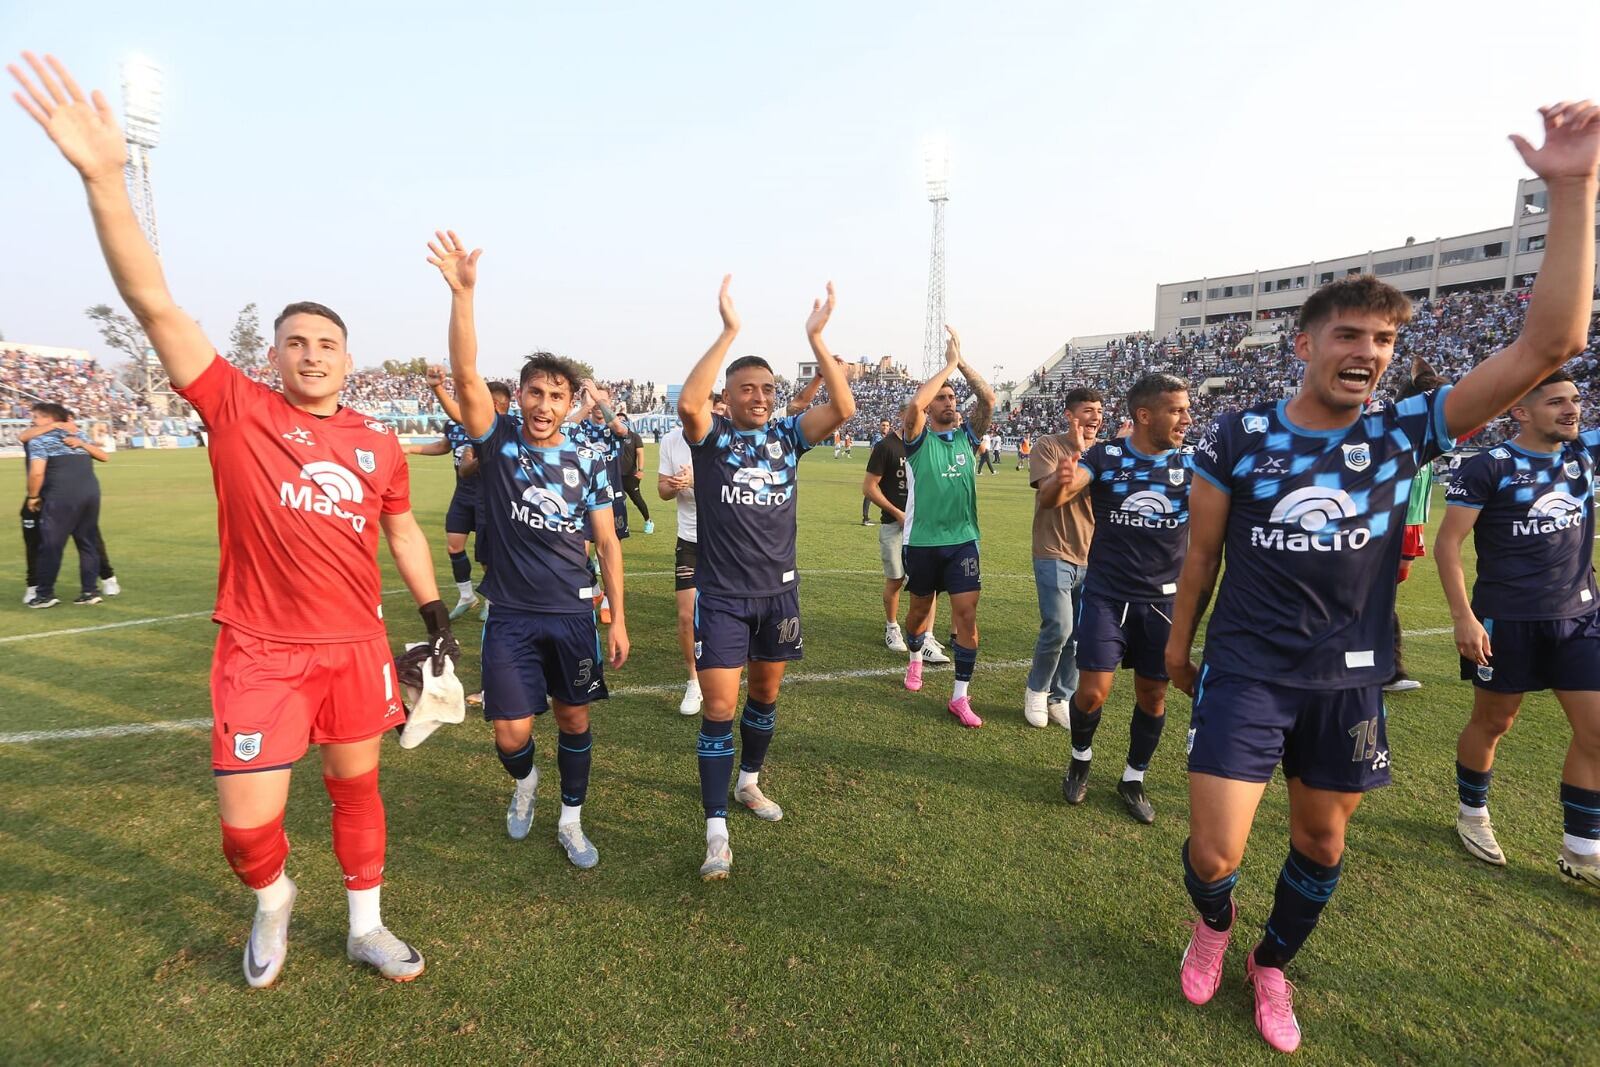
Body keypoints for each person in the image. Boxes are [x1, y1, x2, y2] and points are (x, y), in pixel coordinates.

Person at [11, 51, 464, 985]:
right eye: (295, 341)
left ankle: (366, 923)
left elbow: (403, 530)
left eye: (327, 343)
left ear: (348, 357)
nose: (311, 354)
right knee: (247, 825)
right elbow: (153, 301)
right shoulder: (235, 405)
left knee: (358, 786)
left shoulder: (379, 443)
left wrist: (432, 623)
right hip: (258, 647)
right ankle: (273, 900)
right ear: (274, 353)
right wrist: (105, 178)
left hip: (352, 644)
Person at [1164, 101, 1598, 1055]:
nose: (1368, 353)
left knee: (1322, 843)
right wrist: (1176, 643)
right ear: (1307, 344)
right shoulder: (1237, 435)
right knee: (1216, 849)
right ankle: (1214, 924)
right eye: (1351, 335)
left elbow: (1550, 344)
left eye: (1385, 342)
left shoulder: (1404, 429)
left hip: (1349, 673)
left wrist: (1572, 188)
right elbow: (1199, 555)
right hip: (1245, 664)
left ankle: (1271, 964)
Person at [427, 230, 627, 870]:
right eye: (534, 393)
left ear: (571, 405)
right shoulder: (497, 438)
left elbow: (605, 540)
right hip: (510, 612)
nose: (544, 405)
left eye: (556, 396)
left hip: (572, 612)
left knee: (573, 721)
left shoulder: (590, 454)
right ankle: (525, 783)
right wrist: (464, 296)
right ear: (520, 395)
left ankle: (571, 820)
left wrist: (616, 614)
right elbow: (463, 374)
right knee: (511, 733)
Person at [678, 276, 855, 880]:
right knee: (720, 707)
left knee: (766, 696)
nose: (758, 396)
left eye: (767, 389)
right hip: (723, 596)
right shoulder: (712, 438)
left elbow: (845, 408)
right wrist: (729, 331)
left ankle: (749, 783)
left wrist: (817, 338)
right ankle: (715, 830)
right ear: (727, 396)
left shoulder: (787, 436)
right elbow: (688, 406)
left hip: (779, 594)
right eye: (746, 388)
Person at [1436, 368, 1600, 887]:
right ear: (1521, 412)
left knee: (1596, 732)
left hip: (1580, 617)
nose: (1571, 409)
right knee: (1495, 723)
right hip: (1506, 621)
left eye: (1574, 400)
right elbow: (1448, 545)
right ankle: (1472, 813)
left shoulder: (1583, 454)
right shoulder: (1490, 467)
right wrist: (1463, 616)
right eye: (1556, 402)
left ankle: (1582, 849)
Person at [1060, 375, 1193, 824]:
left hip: (1162, 602)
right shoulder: (1107, 455)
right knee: (1093, 693)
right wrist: (1066, 478)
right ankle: (1081, 758)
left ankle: (1133, 778)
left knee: (1154, 696)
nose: (1186, 419)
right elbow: (1071, 484)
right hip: (1106, 594)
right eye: (1177, 410)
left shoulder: (1191, 467)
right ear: (1144, 415)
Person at [900, 327, 997, 728]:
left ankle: (960, 696)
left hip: (962, 543)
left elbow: (988, 399)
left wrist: (963, 363)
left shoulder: (968, 437)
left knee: (966, 616)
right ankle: (915, 655)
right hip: (922, 542)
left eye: (953, 396)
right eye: (943, 396)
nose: (950, 400)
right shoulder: (917, 439)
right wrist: (947, 366)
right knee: (919, 612)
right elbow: (915, 407)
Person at [401, 367, 515, 620]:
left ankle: (493, 600)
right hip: (463, 494)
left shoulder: (496, 427)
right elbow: (444, 445)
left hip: (490, 497)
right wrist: (411, 450)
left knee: (489, 553)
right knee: (454, 545)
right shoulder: (456, 424)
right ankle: (467, 595)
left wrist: (437, 388)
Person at [1023, 388, 1103, 728]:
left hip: (1092, 555)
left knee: (1080, 633)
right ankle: (1037, 691)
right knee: (1059, 626)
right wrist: (1077, 451)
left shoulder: (1105, 452)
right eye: (1088, 410)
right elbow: (1048, 495)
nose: (1096, 416)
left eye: (1099, 410)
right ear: (1070, 415)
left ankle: (1062, 696)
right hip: (1053, 548)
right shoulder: (1047, 445)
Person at [658, 393, 730, 717]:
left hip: (724, 540)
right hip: (688, 539)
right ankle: (693, 681)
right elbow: (661, 490)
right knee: (686, 616)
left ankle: (725, 670)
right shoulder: (671, 441)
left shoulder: (725, 439)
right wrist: (674, 485)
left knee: (725, 615)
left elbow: (733, 485)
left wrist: (696, 480)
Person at [863, 402, 950, 663]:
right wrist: (898, 513)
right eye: (914, 412)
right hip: (894, 524)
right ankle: (892, 628)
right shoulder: (886, 446)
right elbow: (869, 487)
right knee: (896, 580)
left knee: (928, 583)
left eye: (923, 412)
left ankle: (928, 637)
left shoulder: (929, 444)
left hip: (924, 526)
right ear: (902, 415)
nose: (919, 417)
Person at [1387, 357, 1448, 693]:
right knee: (1379, 596)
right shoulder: (1395, 435)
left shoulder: (1427, 439)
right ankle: (1389, 669)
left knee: (1381, 594)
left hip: (1410, 524)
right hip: (1390, 525)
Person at [20, 404, 118, 605]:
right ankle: (90, 592)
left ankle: (44, 594)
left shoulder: (39, 441)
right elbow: (104, 456)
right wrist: (82, 444)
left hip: (60, 497)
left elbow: (37, 473)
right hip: (90, 495)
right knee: (87, 543)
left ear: (49, 418)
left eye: (36, 417)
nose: (33, 421)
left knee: (51, 544)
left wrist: (33, 497)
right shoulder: (78, 434)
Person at [617, 412, 654, 535]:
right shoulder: (613, 436)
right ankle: (620, 524)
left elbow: (640, 454)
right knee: (617, 501)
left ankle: (648, 521)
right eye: (617, 419)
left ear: (627, 422)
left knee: (637, 500)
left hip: (631, 475)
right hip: (616, 475)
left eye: (622, 419)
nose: (619, 421)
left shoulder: (634, 437)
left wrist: (640, 470)